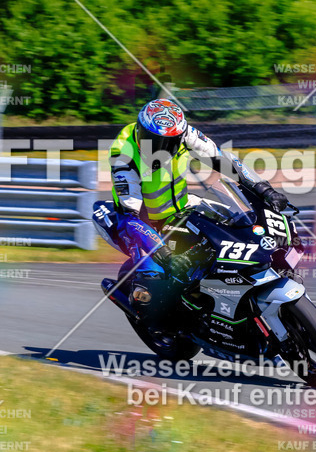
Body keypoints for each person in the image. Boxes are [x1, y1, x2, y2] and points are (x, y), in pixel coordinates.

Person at [93, 98, 288, 327]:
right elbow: (131, 215)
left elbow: (223, 160)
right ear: (139, 132)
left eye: (168, 143)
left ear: (180, 135)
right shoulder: (123, 154)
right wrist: (163, 252)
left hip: (183, 207)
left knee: (243, 227)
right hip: (142, 222)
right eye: (152, 142)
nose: (160, 149)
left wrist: (263, 189)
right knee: (156, 275)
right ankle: (154, 317)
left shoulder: (185, 132)